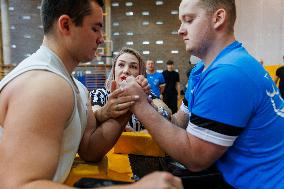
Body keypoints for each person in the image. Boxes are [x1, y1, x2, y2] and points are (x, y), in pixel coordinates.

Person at [0, 0, 183, 189]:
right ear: (65, 25)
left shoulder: (77, 87)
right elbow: (19, 185)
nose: (101, 39)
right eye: (95, 29)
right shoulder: (45, 85)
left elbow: (89, 149)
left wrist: (127, 104)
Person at [122, 0, 284, 188]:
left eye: (189, 20)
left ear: (218, 18)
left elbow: (195, 157)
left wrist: (140, 105)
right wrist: (150, 101)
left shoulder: (229, 72)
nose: (180, 30)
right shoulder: (202, 70)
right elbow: (179, 122)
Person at [90, 47, 171, 131]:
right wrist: (105, 112)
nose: (126, 70)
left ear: (140, 73)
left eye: (133, 66)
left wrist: (153, 109)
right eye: (121, 65)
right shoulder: (99, 94)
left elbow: (168, 113)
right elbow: (92, 118)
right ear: (114, 70)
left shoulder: (147, 96)